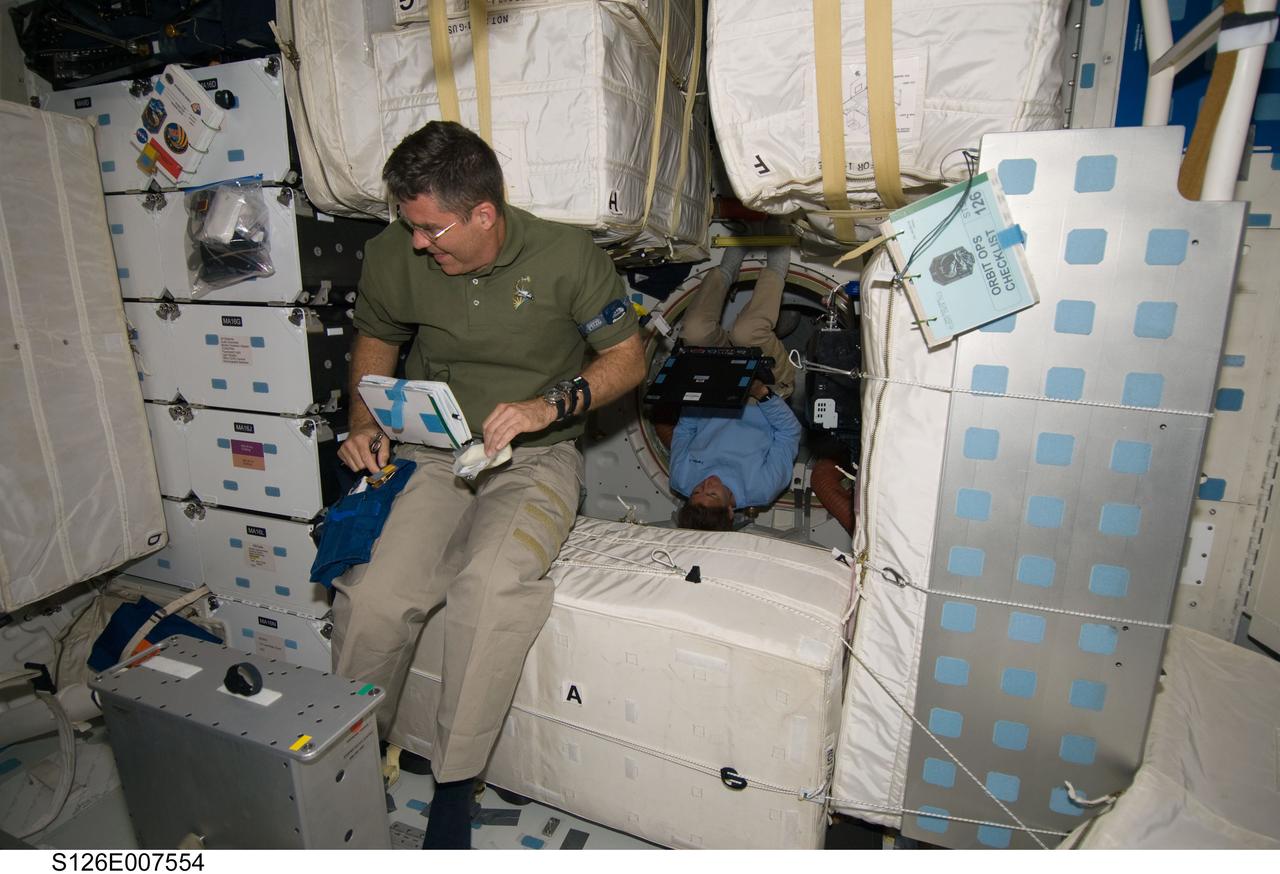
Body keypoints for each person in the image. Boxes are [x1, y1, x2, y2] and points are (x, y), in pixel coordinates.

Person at [333, 121, 645, 849]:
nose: (418, 244)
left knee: (491, 587)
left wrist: (548, 406)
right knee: (372, 599)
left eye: (431, 229)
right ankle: (342, 760)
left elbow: (628, 360)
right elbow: (377, 337)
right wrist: (364, 420)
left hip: (534, 455)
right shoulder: (397, 251)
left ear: (483, 213)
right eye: (409, 226)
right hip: (434, 448)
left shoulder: (568, 257)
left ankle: (454, 782)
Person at [668, 244, 802, 529]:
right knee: (746, 333)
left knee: (694, 332)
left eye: (697, 491)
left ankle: (727, 270)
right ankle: (776, 267)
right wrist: (761, 394)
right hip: (765, 397)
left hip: (714, 393)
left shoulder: (681, 478)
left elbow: (685, 428)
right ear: (730, 510)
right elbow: (789, 433)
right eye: (712, 493)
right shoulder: (762, 488)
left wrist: (702, 390)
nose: (706, 483)